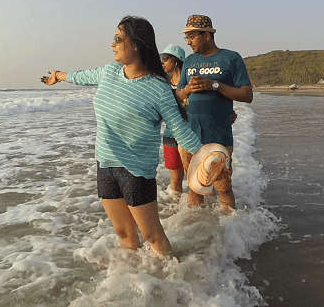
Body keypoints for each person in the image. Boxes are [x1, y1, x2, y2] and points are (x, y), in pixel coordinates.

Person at [40, 16, 212, 256]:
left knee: (153, 235)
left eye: (118, 39)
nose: (113, 44)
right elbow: (82, 76)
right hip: (106, 164)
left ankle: (178, 281)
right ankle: (134, 281)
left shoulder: (158, 88)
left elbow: (180, 129)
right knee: (124, 233)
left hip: (136, 170)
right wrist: (58, 76)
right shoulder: (109, 72)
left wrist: (207, 157)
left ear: (137, 44)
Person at [176, 15, 253, 211]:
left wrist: (214, 85)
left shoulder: (230, 58)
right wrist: (187, 91)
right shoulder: (189, 61)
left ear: (207, 35)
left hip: (218, 135)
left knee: (224, 188)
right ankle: (200, 232)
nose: (188, 41)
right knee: (195, 187)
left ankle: (229, 230)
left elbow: (246, 94)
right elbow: (178, 93)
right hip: (190, 135)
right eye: (187, 37)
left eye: (192, 36)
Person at [159, 44, 187, 194]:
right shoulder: (163, 84)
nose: (161, 62)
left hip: (191, 135)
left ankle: (204, 213)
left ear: (176, 60)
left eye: (165, 58)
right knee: (175, 181)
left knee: (198, 178)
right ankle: (177, 213)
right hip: (170, 136)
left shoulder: (190, 81)